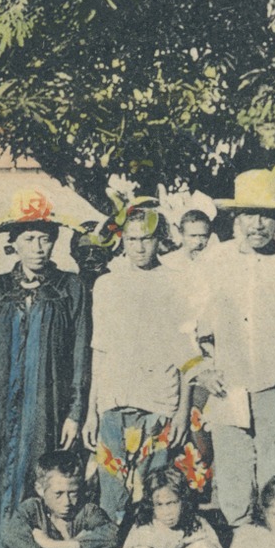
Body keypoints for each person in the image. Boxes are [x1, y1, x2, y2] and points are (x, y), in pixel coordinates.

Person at [0, 189, 92, 548]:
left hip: (48, 407)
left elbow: (80, 353)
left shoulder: (69, 288)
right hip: (3, 411)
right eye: (29, 239)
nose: (38, 247)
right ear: (14, 244)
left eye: (44, 238)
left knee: (43, 491)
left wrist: (76, 412)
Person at [188, 171, 275, 527]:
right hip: (228, 384)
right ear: (236, 217)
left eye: (266, 214)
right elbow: (184, 321)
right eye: (249, 213)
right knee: (232, 481)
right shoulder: (213, 261)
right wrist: (201, 368)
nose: (258, 224)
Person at [83, 196, 193, 526]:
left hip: (159, 401)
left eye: (146, 239)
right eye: (132, 240)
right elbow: (99, 351)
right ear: (122, 242)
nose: (140, 248)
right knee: (111, 497)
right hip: (113, 404)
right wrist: (92, 412)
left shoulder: (178, 282)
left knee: (154, 494)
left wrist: (183, 410)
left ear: (159, 241)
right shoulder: (106, 285)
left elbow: (188, 353)